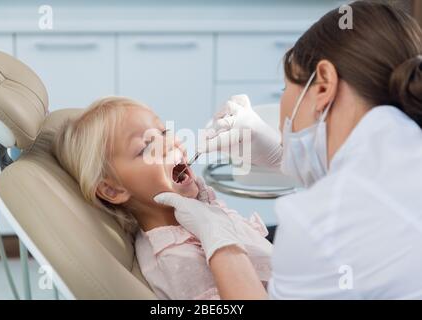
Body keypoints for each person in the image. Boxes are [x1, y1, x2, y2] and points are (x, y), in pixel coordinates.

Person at [154, 1, 422, 299]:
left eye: (285, 89)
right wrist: (281, 157)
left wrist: (219, 239)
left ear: (323, 86)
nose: (171, 145)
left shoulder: (321, 225)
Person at [52, 96, 273, 299]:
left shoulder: (201, 210)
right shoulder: (176, 262)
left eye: (164, 132)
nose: (169, 143)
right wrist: (220, 241)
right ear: (113, 190)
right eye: (146, 147)